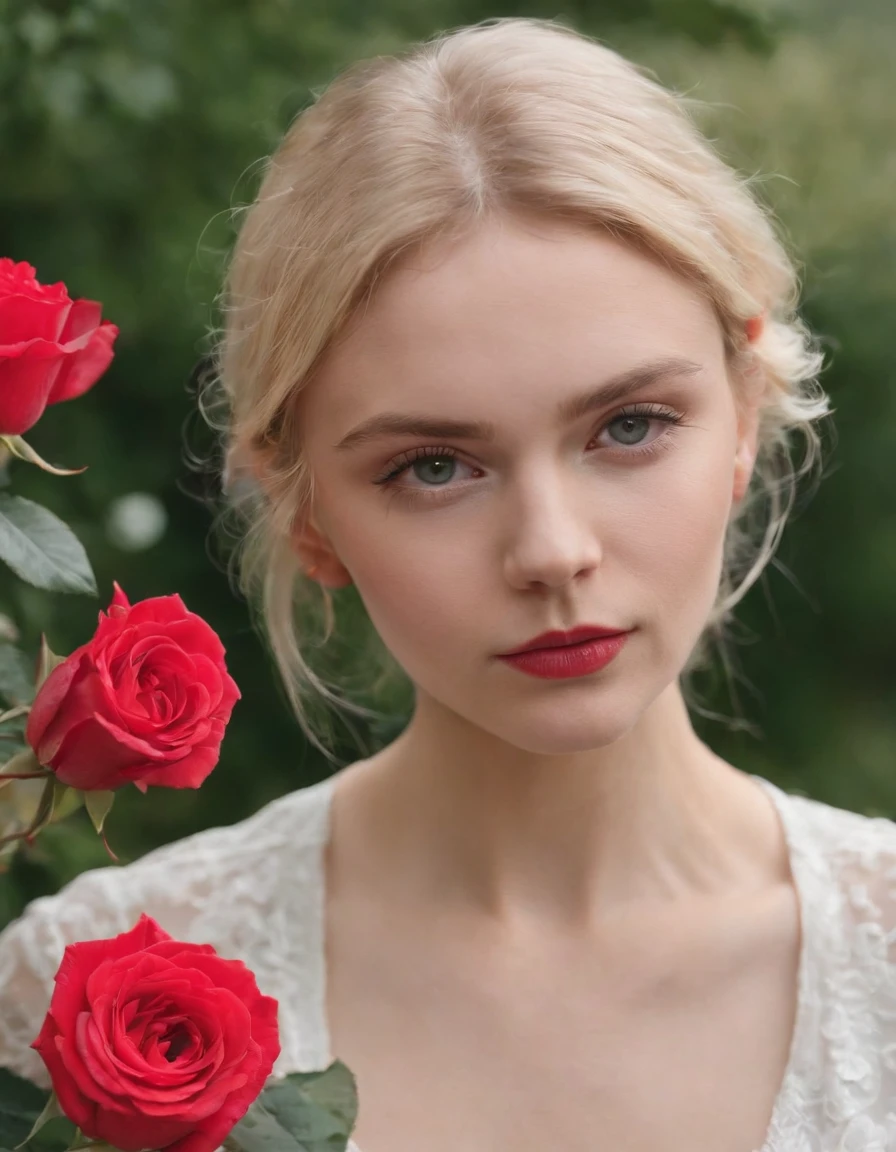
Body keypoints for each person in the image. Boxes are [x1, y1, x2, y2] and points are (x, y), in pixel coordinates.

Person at [1, 16, 894, 1152]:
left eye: (627, 426)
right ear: (306, 508)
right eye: (433, 467)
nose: (550, 549)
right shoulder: (68, 998)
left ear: (741, 418)